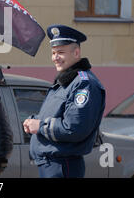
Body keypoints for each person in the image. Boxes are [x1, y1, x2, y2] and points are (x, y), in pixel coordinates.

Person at [23, 24, 105, 178]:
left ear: (76, 52)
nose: (55, 58)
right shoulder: (67, 81)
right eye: (53, 53)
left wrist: (39, 126)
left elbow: (74, 128)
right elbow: (57, 116)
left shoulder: (84, 83)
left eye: (61, 52)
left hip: (63, 166)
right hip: (52, 165)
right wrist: (34, 121)